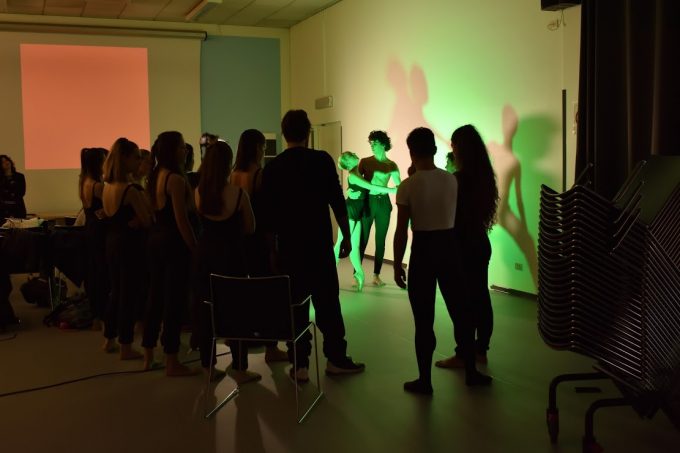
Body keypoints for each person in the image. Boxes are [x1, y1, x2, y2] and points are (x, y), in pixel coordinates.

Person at [261, 109, 365, 382]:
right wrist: (346, 236)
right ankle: (336, 358)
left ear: (284, 133)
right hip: (318, 245)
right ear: (308, 132)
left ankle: (300, 364)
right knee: (328, 303)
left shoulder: (273, 167)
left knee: (295, 306)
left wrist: (272, 250)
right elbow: (337, 201)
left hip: (289, 248)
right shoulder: (321, 160)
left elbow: (268, 215)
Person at [393, 127, 491, 395]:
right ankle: (471, 372)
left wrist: (397, 263)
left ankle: (425, 380)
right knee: (462, 314)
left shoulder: (407, 186)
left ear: (411, 153)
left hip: (422, 252)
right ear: (435, 150)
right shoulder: (451, 180)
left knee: (424, 321)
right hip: (449, 250)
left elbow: (401, 231)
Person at [194, 140, 260, 384]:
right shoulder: (238, 194)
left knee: (205, 311)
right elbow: (250, 228)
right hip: (232, 257)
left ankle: (208, 366)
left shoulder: (198, 192)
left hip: (205, 256)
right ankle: (240, 367)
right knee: (238, 311)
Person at [435, 125, 499, 369]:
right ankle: (480, 350)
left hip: (461, 245)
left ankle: (464, 353)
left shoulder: (458, 180)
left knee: (462, 303)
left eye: (453, 144)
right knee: (480, 297)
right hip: (479, 242)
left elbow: (446, 213)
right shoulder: (484, 177)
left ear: (460, 147)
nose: (451, 148)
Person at [142, 131, 198, 376]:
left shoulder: (155, 176)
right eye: (182, 147)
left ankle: (148, 353)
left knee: (154, 297)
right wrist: (194, 246)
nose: (185, 150)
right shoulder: (175, 179)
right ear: (173, 151)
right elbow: (181, 220)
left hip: (155, 240)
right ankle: (172, 360)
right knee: (174, 301)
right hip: (173, 243)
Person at [231, 128, 289, 363]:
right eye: (263, 146)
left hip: (239, 241)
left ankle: (245, 341)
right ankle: (270, 347)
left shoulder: (233, 175)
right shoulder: (259, 175)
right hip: (258, 241)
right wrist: (273, 247)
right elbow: (267, 216)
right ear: (257, 148)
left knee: (245, 293)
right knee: (267, 293)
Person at [102, 138, 153, 360]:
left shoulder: (108, 187)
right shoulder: (130, 190)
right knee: (128, 295)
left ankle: (109, 338)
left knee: (116, 292)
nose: (139, 162)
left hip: (112, 242)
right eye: (136, 157)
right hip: (129, 245)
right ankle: (126, 345)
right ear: (125, 159)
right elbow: (148, 220)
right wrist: (142, 219)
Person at [486, 105, 538, 288]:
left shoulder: (515, 162)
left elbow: (518, 196)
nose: (508, 127)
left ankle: (542, 291)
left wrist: (524, 225)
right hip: (489, 205)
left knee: (529, 244)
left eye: (512, 123)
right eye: (506, 122)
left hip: (504, 210)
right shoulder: (492, 148)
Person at [333, 151, 397, 291]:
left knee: (355, 246)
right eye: (351, 155)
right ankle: (328, 275)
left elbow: (362, 188)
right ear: (348, 163)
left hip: (358, 212)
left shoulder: (357, 173)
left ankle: (359, 274)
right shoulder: (353, 175)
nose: (355, 154)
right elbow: (371, 187)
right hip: (350, 211)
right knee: (339, 244)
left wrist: (349, 190)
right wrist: (392, 190)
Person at [358, 131, 401, 287]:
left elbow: (399, 186)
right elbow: (357, 182)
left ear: (383, 144)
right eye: (371, 143)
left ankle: (376, 275)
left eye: (375, 143)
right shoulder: (365, 161)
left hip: (383, 203)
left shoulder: (391, 165)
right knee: (362, 239)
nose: (372, 146)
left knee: (380, 240)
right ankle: (357, 273)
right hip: (368, 202)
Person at [79, 147, 109, 331]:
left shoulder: (84, 181)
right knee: (102, 271)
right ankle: (102, 314)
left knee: (95, 270)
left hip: (91, 228)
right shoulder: (98, 186)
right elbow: (111, 208)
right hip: (100, 230)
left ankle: (97, 313)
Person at [0, 155, 27, 220]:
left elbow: (22, 192)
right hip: (3, 210)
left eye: (7, 160)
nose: (6, 162)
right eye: (3, 162)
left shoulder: (20, 176)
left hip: (18, 208)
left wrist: (8, 193)